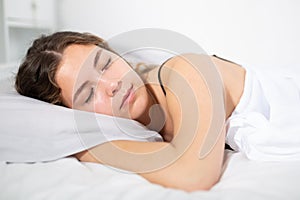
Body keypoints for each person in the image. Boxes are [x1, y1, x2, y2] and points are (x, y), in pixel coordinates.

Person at [14, 31, 300, 191]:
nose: (112, 85)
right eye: (88, 93)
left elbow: (194, 176)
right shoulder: (139, 128)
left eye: (104, 64)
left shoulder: (187, 72)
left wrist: (83, 149)